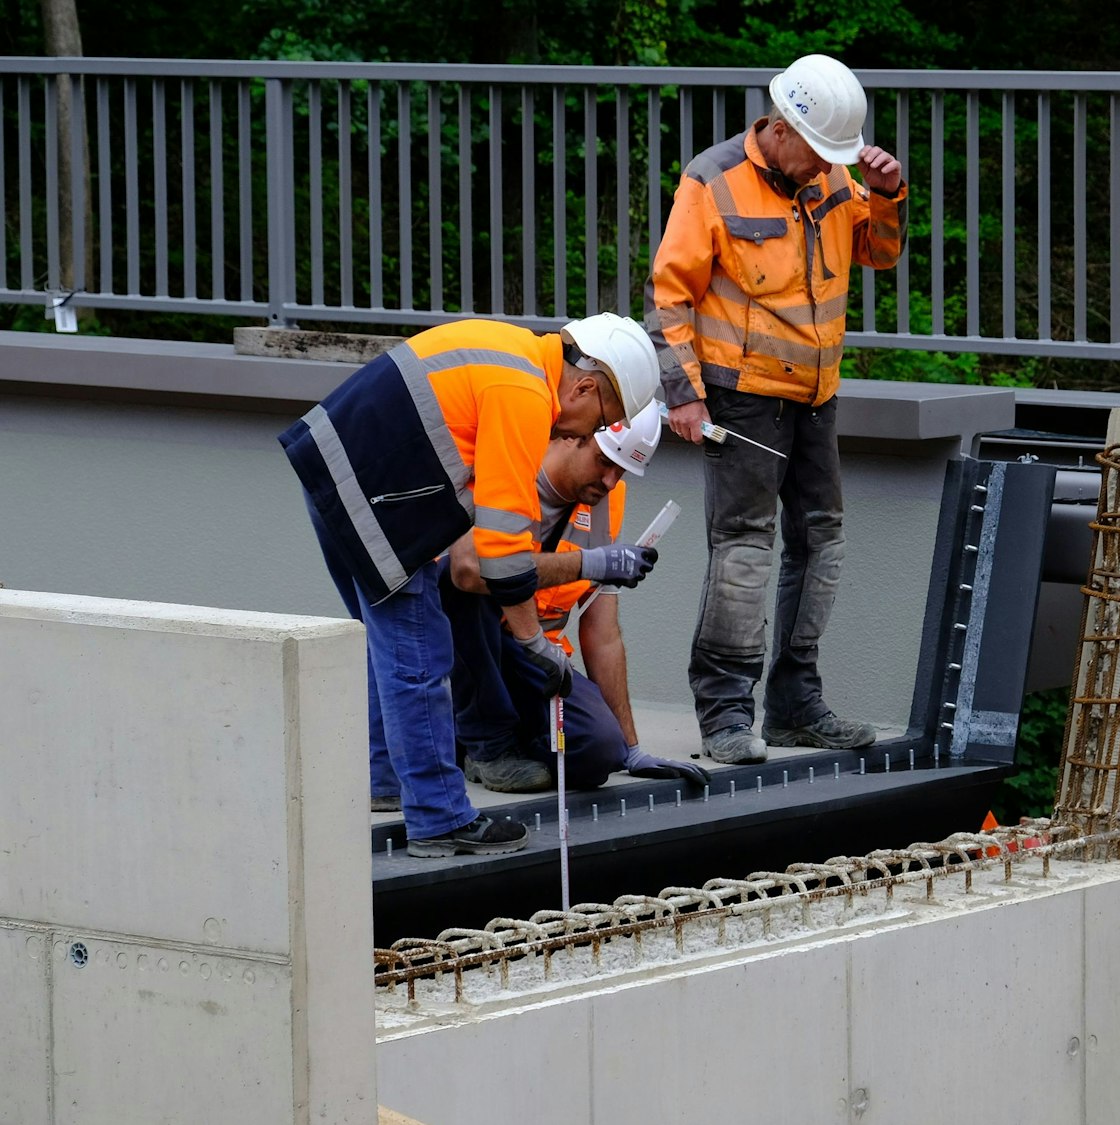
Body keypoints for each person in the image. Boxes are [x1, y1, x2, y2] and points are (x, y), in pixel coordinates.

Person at [280, 313, 658, 858]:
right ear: (584, 385)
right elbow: (499, 554)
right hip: (376, 492)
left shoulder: (512, 353)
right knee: (418, 655)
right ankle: (439, 821)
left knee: (391, 650)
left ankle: (386, 781)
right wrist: (536, 646)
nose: (583, 433)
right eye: (602, 420)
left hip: (337, 471)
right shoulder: (524, 391)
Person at [649, 53, 907, 765]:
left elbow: (877, 252)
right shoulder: (713, 179)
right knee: (743, 553)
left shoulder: (828, 173)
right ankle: (726, 714)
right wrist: (685, 395)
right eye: (818, 152)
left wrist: (885, 193)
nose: (825, 167)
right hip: (743, 396)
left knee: (822, 543)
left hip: (816, 395)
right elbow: (668, 295)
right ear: (783, 127)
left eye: (835, 158)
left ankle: (796, 704)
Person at [443, 402, 710, 794]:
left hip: (537, 659)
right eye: (604, 462)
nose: (608, 481)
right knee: (469, 585)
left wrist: (631, 748)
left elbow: (603, 634)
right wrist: (587, 564)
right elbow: (467, 572)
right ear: (573, 436)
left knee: (599, 751)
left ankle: (498, 740)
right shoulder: (514, 467)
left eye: (621, 472)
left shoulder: (607, 499)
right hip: (472, 646)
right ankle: (486, 745)